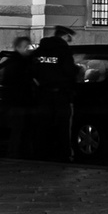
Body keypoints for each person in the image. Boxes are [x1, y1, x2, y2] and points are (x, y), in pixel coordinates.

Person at [30, 26, 80, 161]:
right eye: (69, 38)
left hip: (43, 95)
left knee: (42, 127)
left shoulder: (39, 51)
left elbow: (32, 71)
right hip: (61, 95)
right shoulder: (64, 51)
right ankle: (63, 154)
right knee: (63, 128)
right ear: (64, 37)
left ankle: (41, 153)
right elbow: (69, 71)